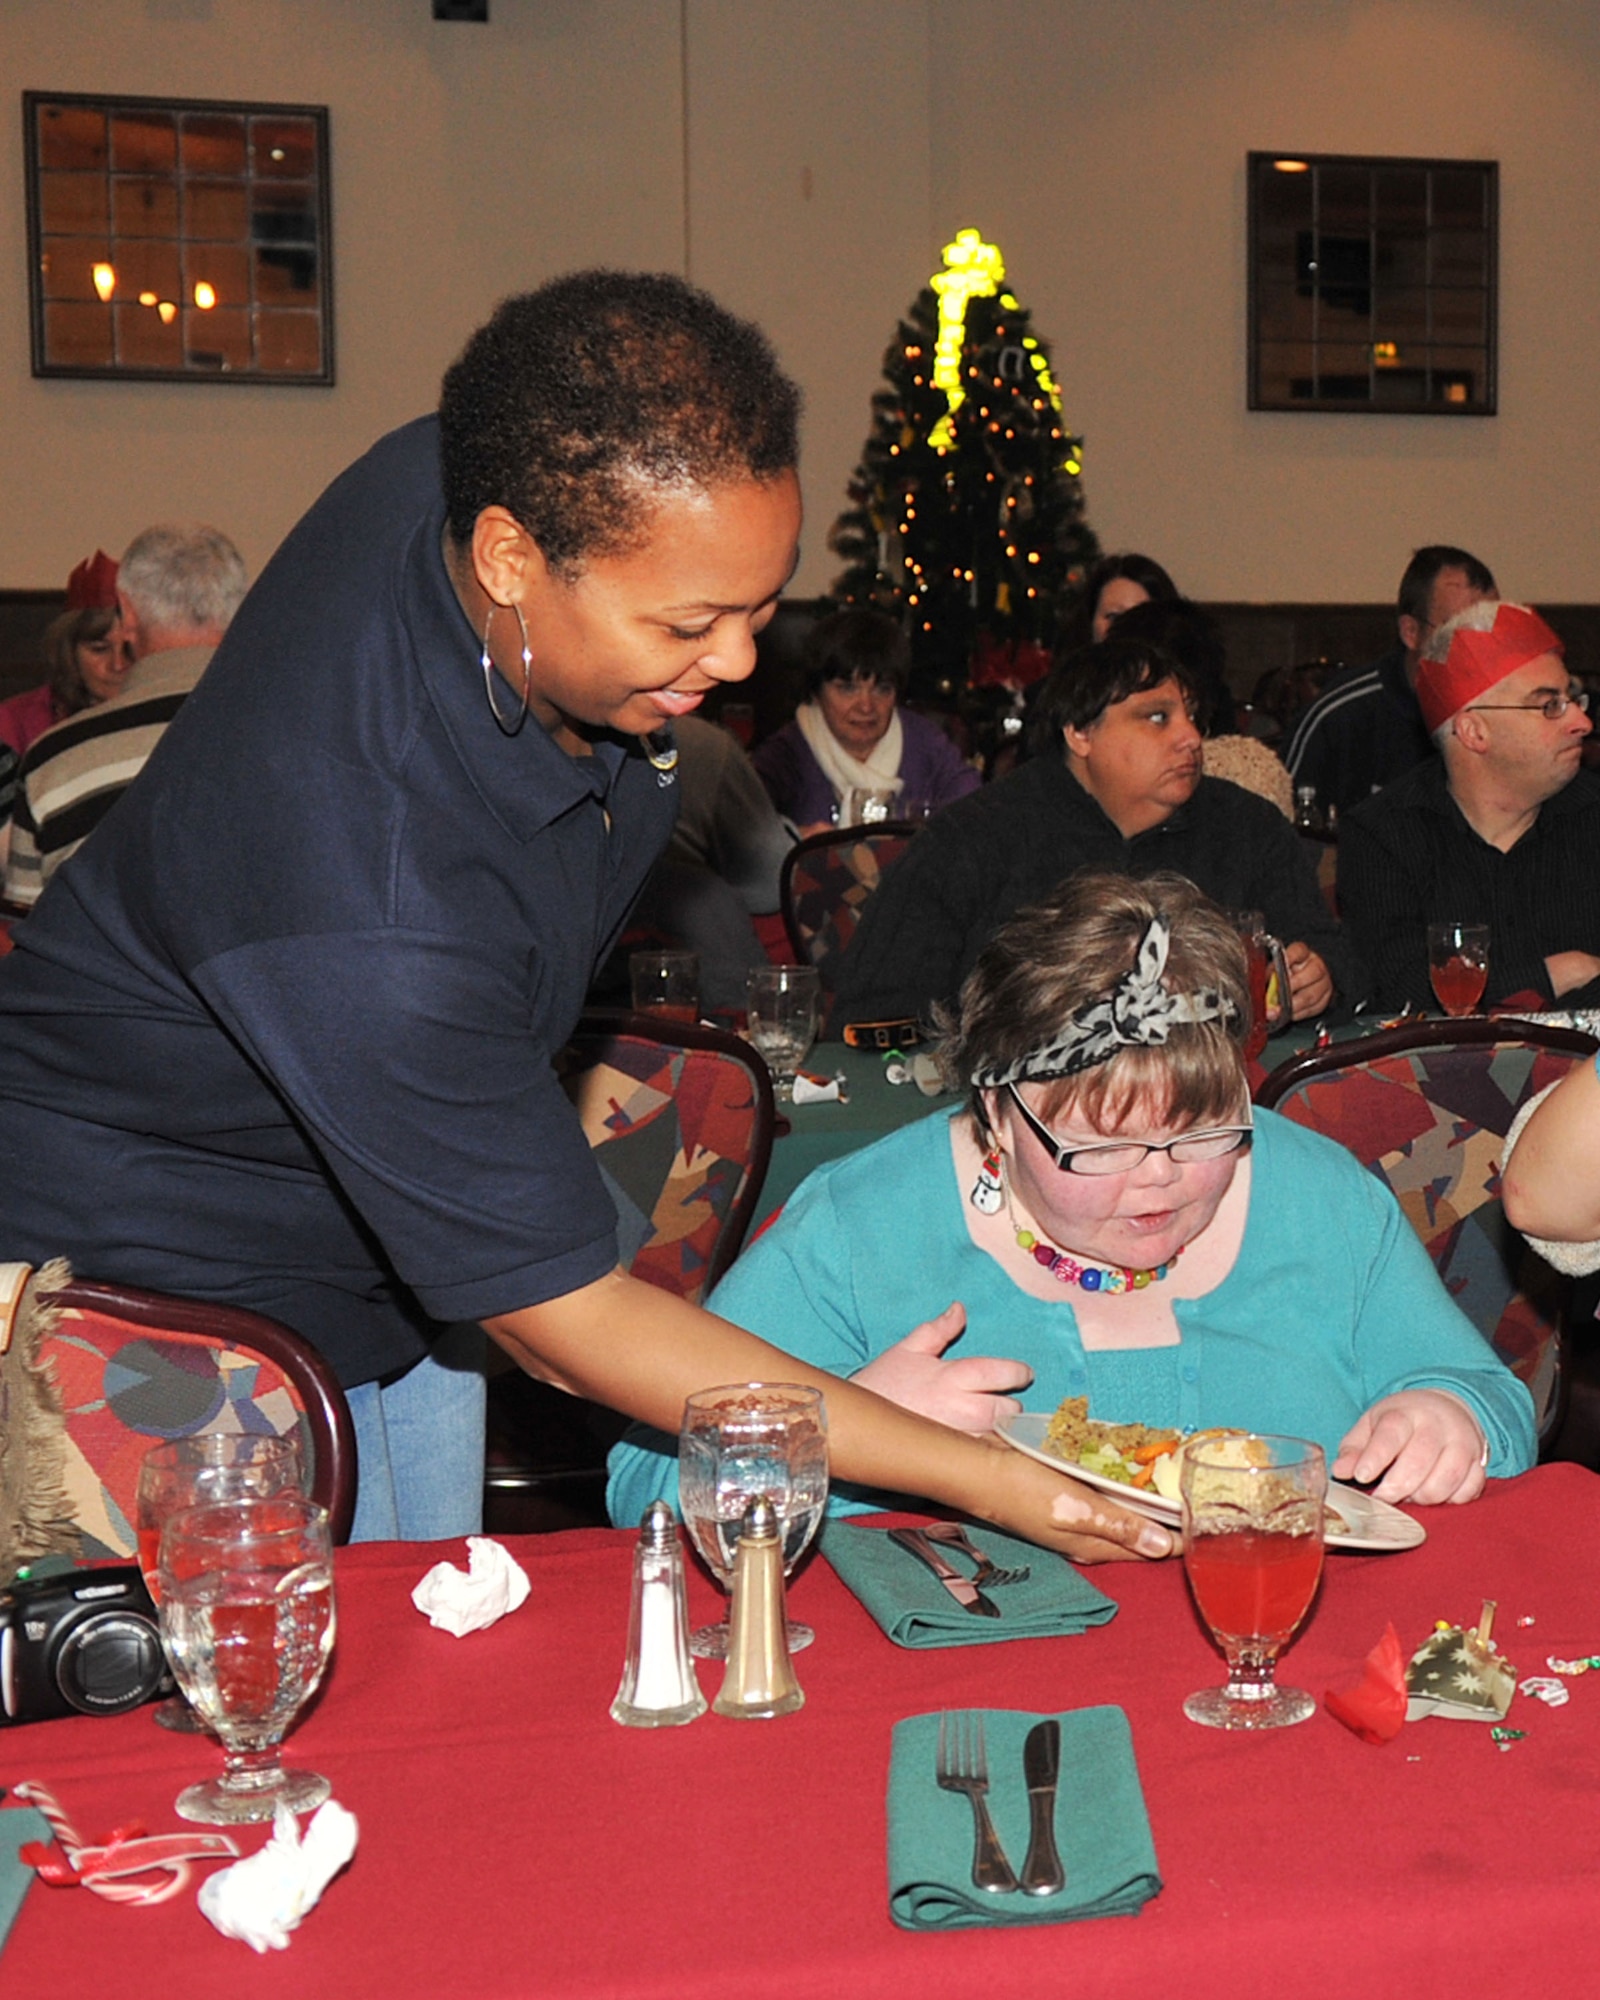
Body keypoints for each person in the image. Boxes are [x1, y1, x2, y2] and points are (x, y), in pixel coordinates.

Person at [0, 270, 1167, 1564]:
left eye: (762, 604)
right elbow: (565, 1326)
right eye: (689, 621)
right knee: (273, 1671)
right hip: (162, 1292)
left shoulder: (479, 475)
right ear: (509, 557)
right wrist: (988, 1479)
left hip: (389, 1248)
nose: (738, 660)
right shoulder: (370, 893)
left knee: (431, 1639)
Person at [610, 872, 1532, 1523]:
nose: (1160, 1175)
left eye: (1205, 1130)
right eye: (1103, 1147)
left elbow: (1494, 1400)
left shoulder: (1319, 1196)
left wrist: (1447, 1415)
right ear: (998, 1112)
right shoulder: (862, 1224)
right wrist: (846, 1429)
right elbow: (642, 1485)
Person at [830, 632, 1363, 1035]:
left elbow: (1340, 962)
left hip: (1215, 1102)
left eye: (1191, 716)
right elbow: (877, 1012)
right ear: (1080, 733)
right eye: (1157, 718)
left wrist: (1322, 978)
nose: (1190, 737)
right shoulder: (972, 840)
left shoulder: (1248, 829)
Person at [1339, 599, 1600, 1012]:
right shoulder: (1383, 835)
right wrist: (1558, 973)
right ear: (1474, 732)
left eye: (1574, 699)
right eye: (1549, 705)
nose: (1582, 723)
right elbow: (1401, 996)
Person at [4, 525, 248, 909]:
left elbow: (26, 927)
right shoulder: (310, 734)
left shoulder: (54, 760)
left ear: (127, 617)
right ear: (240, 610)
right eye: (96, 648)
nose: (113, 665)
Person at [1283, 545, 1497, 819]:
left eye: (1489, 631)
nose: (1476, 649)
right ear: (1411, 632)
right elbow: (1277, 827)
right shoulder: (1340, 717)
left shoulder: (1512, 713)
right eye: (1458, 630)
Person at [750, 606, 979, 833]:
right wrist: (791, 838)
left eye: (882, 689)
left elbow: (973, 809)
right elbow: (741, 829)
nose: (866, 706)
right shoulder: (789, 752)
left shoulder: (926, 744)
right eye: (847, 689)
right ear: (816, 693)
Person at [0, 551, 127, 759]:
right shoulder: (13, 723)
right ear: (69, 652)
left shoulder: (174, 715)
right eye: (100, 649)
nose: (118, 664)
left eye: (130, 649)